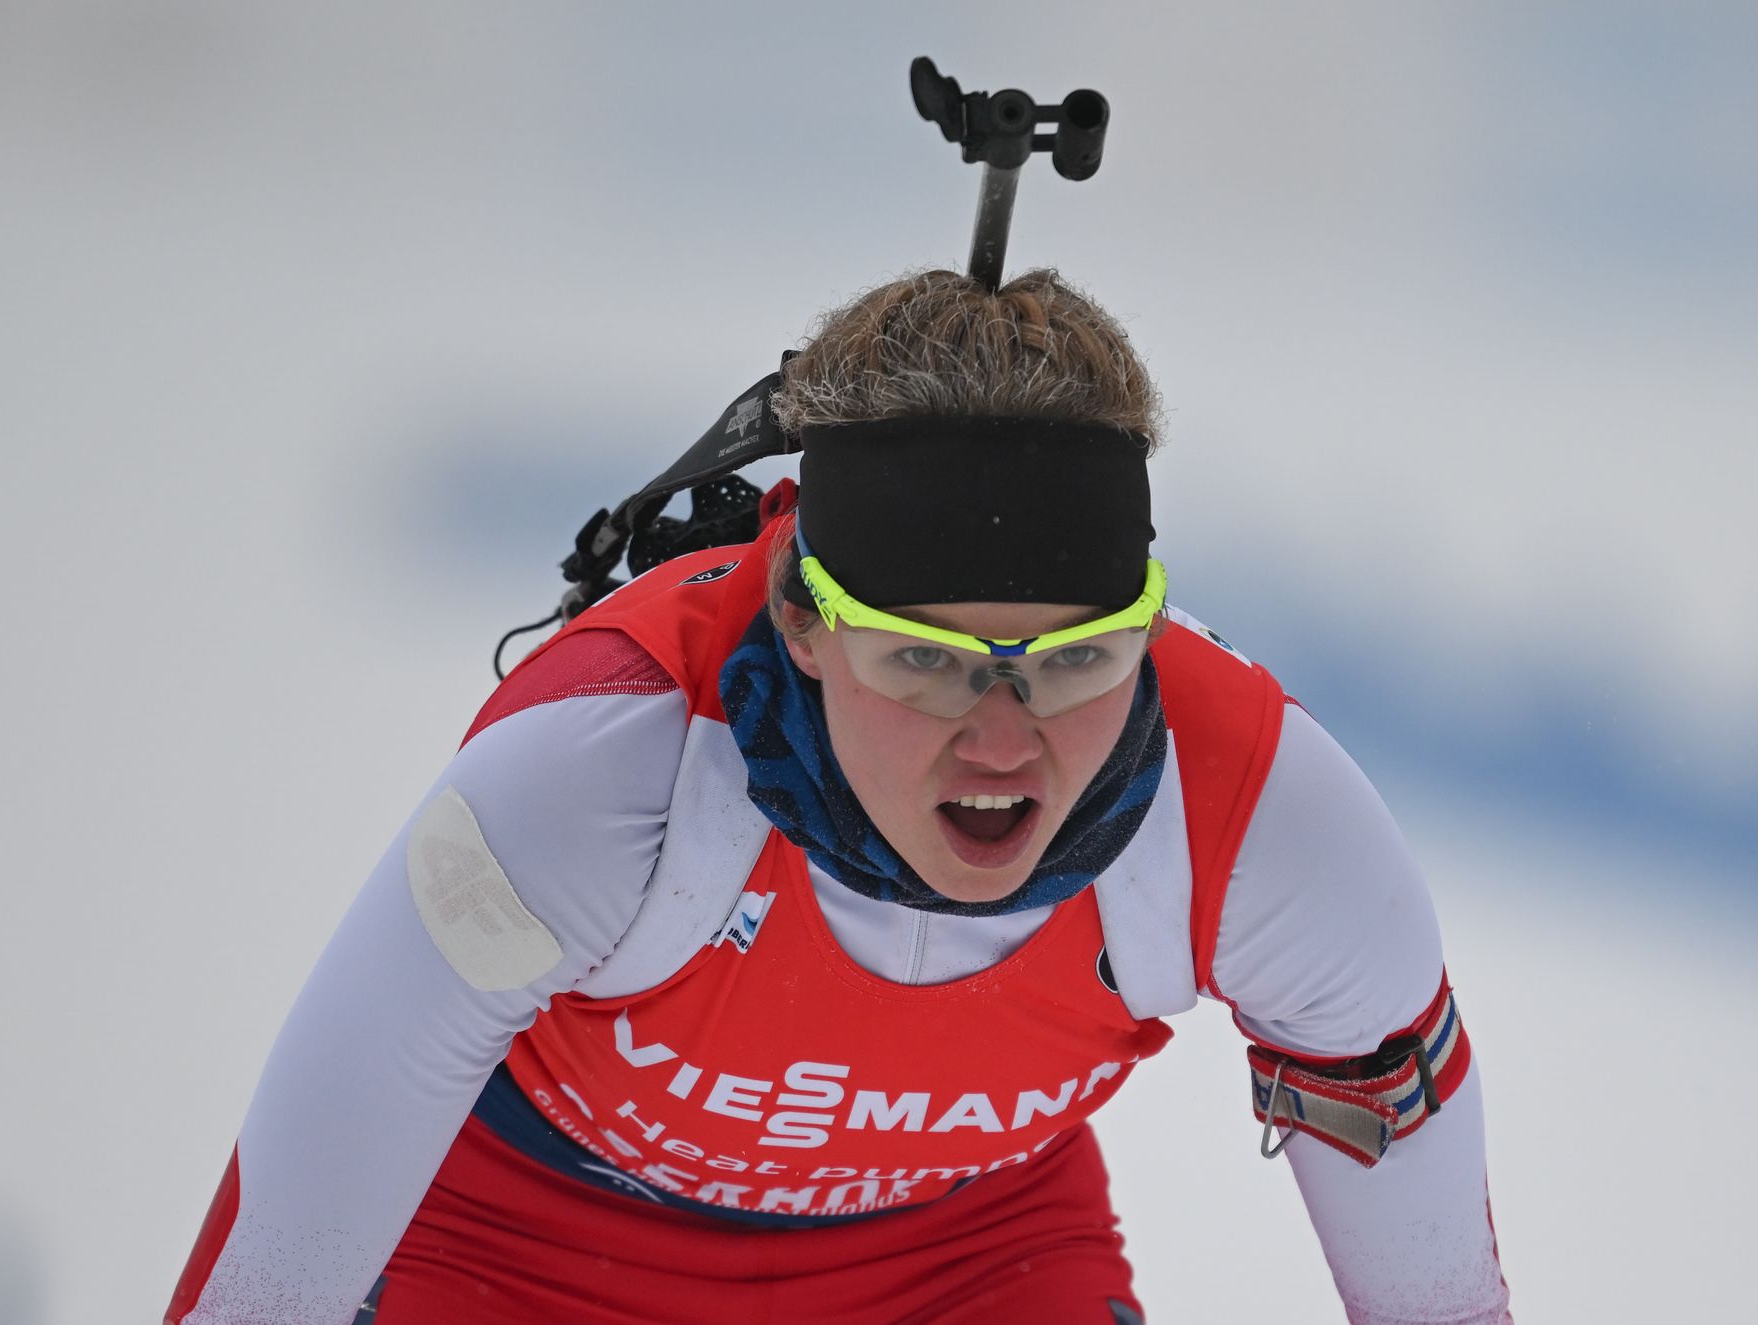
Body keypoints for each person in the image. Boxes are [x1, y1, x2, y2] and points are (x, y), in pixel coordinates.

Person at [166, 268, 1512, 1324]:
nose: (1006, 743)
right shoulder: (601, 769)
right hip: (516, 1254)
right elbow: (260, 1286)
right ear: (803, 624)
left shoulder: (1261, 820)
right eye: (925, 661)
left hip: (962, 1268)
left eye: (1078, 660)